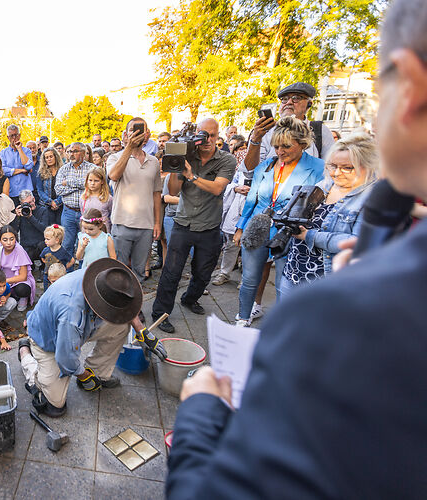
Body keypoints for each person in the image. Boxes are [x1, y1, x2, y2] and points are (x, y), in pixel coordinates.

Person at [167, 3, 427, 497]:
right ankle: (244, 319)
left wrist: (201, 409)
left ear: (409, 88)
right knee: (247, 280)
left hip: (299, 257)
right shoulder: (390, 239)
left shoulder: (331, 312)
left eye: (380, 88)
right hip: (264, 236)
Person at [20, 259, 146, 417]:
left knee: (121, 326)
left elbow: (126, 306)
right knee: (55, 406)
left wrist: (142, 331)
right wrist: (84, 375)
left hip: (79, 329)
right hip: (48, 341)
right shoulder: (70, 314)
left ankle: (98, 372)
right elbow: (65, 359)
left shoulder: (102, 278)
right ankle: (25, 353)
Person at [233, 117, 325, 326]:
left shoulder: (319, 168)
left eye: (286, 146)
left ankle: (283, 325)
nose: (280, 152)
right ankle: (243, 317)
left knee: (285, 283)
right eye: (276, 146)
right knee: (249, 279)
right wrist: (240, 227)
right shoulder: (266, 165)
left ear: (302, 144)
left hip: (290, 232)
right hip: (258, 226)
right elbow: (252, 198)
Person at [151, 118, 236, 334]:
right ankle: (160, 313)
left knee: (203, 273)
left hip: (209, 226)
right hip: (183, 223)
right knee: (171, 271)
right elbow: (173, 190)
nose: (207, 139)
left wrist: (192, 175)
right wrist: (176, 162)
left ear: (218, 138)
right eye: (203, 134)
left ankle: (190, 299)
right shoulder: (186, 156)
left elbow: (217, 188)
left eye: (212, 135)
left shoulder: (226, 160)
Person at [279, 134, 379, 296]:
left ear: (366, 166)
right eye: (332, 166)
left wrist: (309, 236)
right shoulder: (325, 184)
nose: (337, 173)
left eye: (347, 167)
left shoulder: (372, 199)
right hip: (293, 274)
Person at [106, 117, 163, 279]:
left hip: (146, 225)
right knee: (119, 270)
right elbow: (114, 175)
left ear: (147, 134)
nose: (137, 133)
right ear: (126, 134)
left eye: (141, 130)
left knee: (139, 271)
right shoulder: (115, 158)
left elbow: (156, 193)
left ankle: (135, 301)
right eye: (133, 130)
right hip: (122, 223)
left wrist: (157, 222)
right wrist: (129, 148)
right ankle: (118, 302)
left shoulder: (153, 161)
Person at [244, 82, 335, 171]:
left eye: (296, 98)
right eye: (284, 99)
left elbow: (330, 167)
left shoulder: (319, 130)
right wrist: (255, 140)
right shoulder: (266, 130)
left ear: (309, 104)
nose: (289, 102)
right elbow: (250, 170)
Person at [211, 167, 251, 286]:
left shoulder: (267, 169)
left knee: (249, 247)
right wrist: (235, 188)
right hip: (236, 208)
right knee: (231, 244)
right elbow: (230, 184)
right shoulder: (241, 170)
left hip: (253, 209)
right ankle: (224, 272)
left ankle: (246, 278)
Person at [56, 142, 96, 254]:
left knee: (86, 245)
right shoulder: (63, 169)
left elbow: (93, 186)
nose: (71, 154)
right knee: (67, 244)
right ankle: (68, 271)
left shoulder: (92, 169)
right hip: (68, 211)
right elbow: (58, 190)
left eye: (75, 151)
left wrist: (68, 182)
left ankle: (84, 271)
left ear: (83, 153)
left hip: (87, 213)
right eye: (69, 151)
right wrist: (81, 185)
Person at [1, 125, 34, 224]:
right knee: (14, 221)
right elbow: (3, 170)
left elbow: (28, 166)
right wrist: (21, 170)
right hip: (11, 192)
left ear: (19, 135)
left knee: (27, 221)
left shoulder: (26, 151)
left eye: (15, 135)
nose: (14, 138)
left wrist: (19, 149)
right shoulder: (3, 153)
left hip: (26, 191)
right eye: (11, 136)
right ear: (8, 138)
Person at [15, 189, 48, 261]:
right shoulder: (21, 213)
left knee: (43, 246)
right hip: (27, 246)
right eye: (26, 203)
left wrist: (30, 217)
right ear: (21, 204)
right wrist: (16, 217)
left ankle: (43, 268)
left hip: (40, 245)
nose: (30, 204)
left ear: (34, 199)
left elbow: (44, 229)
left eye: (31, 202)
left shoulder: (43, 210)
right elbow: (14, 231)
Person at [36, 146, 64, 226]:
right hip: (46, 206)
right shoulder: (41, 172)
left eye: (51, 156)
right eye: (47, 157)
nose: (49, 159)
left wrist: (57, 202)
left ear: (55, 156)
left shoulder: (62, 170)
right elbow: (40, 190)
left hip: (61, 206)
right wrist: (51, 202)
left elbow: (65, 189)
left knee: (60, 230)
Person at [41, 224, 75, 288]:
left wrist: (64, 267)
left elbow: (72, 260)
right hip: (47, 275)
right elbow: (42, 258)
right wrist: (47, 263)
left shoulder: (62, 251)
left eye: (48, 239)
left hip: (59, 277)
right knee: (47, 290)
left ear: (57, 240)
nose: (45, 241)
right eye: (45, 238)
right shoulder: (46, 250)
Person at [80, 167, 112, 231]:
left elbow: (111, 216)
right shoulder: (83, 198)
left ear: (102, 181)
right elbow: (83, 213)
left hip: (102, 232)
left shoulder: (108, 198)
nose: (92, 183)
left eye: (96, 181)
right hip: (87, 233)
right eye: (90, 180)